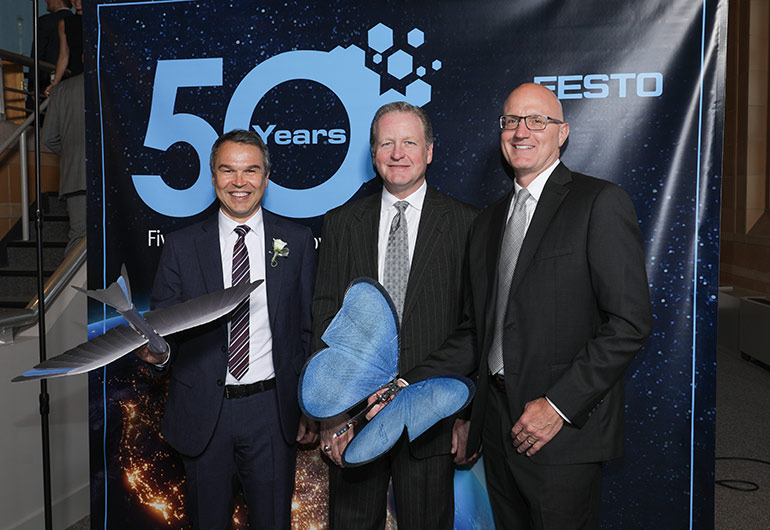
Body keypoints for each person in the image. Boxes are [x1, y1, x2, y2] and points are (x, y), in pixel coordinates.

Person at [400, 83, 653, 530]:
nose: (522, 131)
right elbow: (477, 333)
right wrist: (405, 385)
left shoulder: (599, 202)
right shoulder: (488, 222)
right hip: (496, 428)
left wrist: (556, 406)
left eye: (537, 120)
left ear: (563, 133)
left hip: (563, 432)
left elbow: (629, 323)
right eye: (511, 121)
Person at [136, 129, 318, 529]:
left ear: (266, 178)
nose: (240, 182)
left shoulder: (298, 240)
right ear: (213, 177)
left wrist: (307, 402)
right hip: (204, 412)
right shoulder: (182, 247)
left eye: (251, 170)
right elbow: (163, 329)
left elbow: (307, 329)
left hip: (272, 411)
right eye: (228, 170)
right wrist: (158, 354)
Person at [312, 101, 478, 529]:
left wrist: (466, 414)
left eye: (409, 142)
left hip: (433, 417)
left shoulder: (467, 224)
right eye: (387, 143)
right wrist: (331, 416)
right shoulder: (341, 223)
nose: (398, 153)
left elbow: (475, 326)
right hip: (355, 418)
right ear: (373, 154)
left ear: (430, 151)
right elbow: (326, 316)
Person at [41, 73, 85, 254]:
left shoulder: (61, 90)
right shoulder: (121, 82)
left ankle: (70, 283)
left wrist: (72, 155)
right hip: (116, 177)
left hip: (75, 177)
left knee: (79, 238)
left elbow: (49, 138)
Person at [29, 0, 73, 99]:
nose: (46, 1)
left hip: (46, 81)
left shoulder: (45, 22)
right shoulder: (77, 21)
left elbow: (38, 54)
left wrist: (33, 87)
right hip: (72, 80)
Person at [45, 0, 82, 97]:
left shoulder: (98, 19)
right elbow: (63, 55)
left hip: (97, 77)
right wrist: (55, 82)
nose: (77, 1)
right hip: (77, 77)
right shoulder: (65, 23)